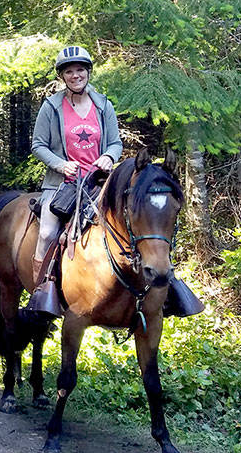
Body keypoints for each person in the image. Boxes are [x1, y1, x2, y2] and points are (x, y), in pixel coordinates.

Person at [29, 45, 202, 318]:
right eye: (70, 71)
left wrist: (109, 157)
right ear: (63, 76)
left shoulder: (103, 104)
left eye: (80, 70)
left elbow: (114, 142)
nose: (76, 75)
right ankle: (43, 294)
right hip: (64, 182)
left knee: (142, 220)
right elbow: (38, 145)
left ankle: (167, 285)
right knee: (49, 232)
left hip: (100, 180)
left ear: (88, 72)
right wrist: (60, 164)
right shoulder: (51, 107)